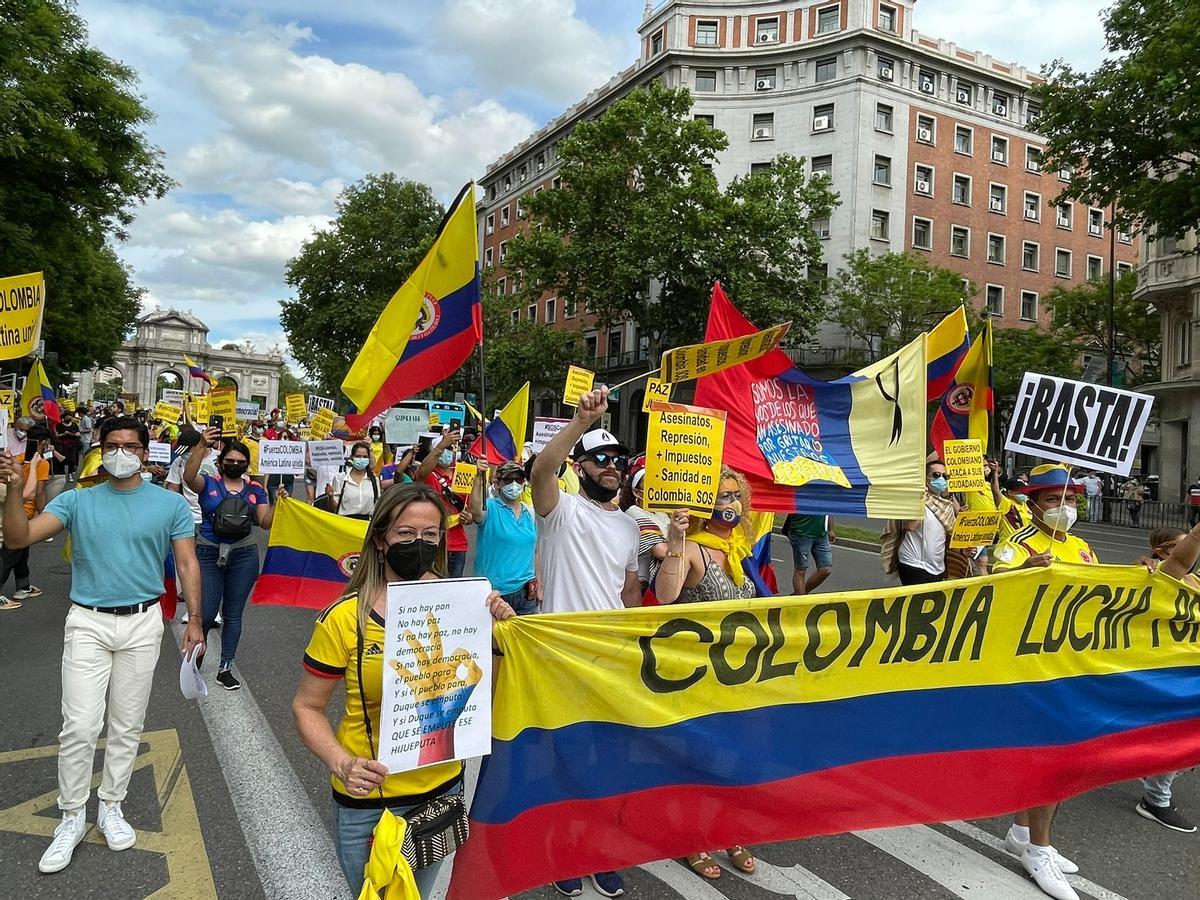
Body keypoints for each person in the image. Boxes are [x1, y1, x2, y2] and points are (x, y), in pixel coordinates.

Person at [0, 415, 202, 874]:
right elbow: (17, 537)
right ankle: (71, 816)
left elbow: (188, 563)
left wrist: (195, 621)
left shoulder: (168, 505)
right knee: (79, 726)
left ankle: (112, 805)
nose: (121, 452)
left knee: (127, 724)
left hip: (143, 622)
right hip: (87, 623)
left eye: (130, 446)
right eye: (112, 444)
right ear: (100, 446)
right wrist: (15, 491)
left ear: (145, 454)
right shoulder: (77, 500)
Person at [292, 483, 514, 896]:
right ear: (380, 539)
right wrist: (341, 763)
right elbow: (306, 707)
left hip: (441, 792)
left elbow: (490, 697)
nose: (419, 544)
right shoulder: (344, 619)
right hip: (373, 801)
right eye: (406, 534)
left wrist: (502, 638)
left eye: (430, 535)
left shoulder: (466, 606)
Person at [530, 386, 639, 899]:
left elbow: (629, 592)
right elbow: (539, 472)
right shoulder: (561, 511)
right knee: (568, 759)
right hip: (562, 656)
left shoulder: (629, 526)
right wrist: (579, 422)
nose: (611, 466)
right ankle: (563, 851)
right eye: (600, 459)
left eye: (617, 458)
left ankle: (599, 850)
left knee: (609, 762)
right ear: (582, 464)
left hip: (612, 658)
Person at [992, 464, 1096, 900]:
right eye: (1054, 500)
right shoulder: (1016, 546)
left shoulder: (1083, 547)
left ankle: (1022, 831)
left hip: (1071, 664)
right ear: (1032, 504)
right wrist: (1022, 573)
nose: (1064, 508)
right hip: (1030, 667)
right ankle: (1039, 848)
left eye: (1070, 499)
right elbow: (988, 590)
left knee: (1061, 754)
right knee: (1049, 758)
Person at [653, 470, 760, 881]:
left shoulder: (741, 549)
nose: (727, 504)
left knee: (733, 759)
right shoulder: (695, 549)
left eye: (734, 496)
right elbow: (666, 594)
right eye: (719, 497)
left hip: (737, 676)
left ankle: (728, 830)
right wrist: (677, 539)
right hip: (698, 675)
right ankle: (691, 838)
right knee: (698, 759)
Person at [183, 428, 282, 690]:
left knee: (233, 614)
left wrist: (278, 502)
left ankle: (225, 667)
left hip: (244, 555)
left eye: (240, 462)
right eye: (230, 461)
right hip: (208, 552)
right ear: (220, 462)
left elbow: (264, 523)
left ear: (247, 465)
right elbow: (188, 476)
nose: (235, 465)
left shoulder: (255, 490)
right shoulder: (209, 483)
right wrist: (202, 445)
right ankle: (195, 666)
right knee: (204, 615)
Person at [1130, 526, 1198, 833]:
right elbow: (1181, 564)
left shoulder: (1196, 581)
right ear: (1162, 553)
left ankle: (1151, 769)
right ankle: (1156, 799)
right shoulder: (1165, 579)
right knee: (1180, 735)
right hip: (1166, 673)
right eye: (1184, 548)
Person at [470, 460, 538, 614]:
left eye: (518, 479)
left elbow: (535, 552)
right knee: (495, 638)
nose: (514, 484)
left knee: (523, 638)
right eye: (508, 479)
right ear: (498, 483)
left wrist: (539, 584)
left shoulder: (531, 513)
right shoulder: (490, 507)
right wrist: (479, 477)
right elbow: (475, 511)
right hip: (496, 594)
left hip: (527, 593)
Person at [416, 428, 471, 578]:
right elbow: (421, 473)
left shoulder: (463, 473)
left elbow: (470, 508)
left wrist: (469, 517)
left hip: (458, 544)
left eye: (449, 448)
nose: (447, 452)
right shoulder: (429, 474)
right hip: (434, 544)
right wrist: (441, 446)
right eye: (443, 448)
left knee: (454, 592)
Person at [896, 458, 957, 585]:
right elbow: (911, 526)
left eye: (945, 476)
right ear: (926, 478)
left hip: (938, 567)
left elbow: (950, 535)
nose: (941, 479)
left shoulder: (946, 506)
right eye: (936, 475)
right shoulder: (916, 499)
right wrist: (920, 499)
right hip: (914, 564)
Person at [621, 463, 669, 592]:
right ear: (637, 492)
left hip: (662, 583)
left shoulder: (662, 514)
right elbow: (661, 552)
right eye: (651, 484)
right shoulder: (633, 512)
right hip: (644, 586)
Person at [782, 513, 835, 594]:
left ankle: (799, 595)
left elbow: (829, 507)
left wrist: (831, 529)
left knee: (826, 569)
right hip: (801, 534)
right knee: (801, 570)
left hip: (821, 535)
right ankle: (800, 601)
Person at [326, 442, 381, 520]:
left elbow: (377, 505)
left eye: (365, 457)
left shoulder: (374, 480)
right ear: (351, 457)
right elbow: (334, 508)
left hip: (366, 523)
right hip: (345, 522)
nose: (362, 459)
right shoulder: (340, 478)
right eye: (358, 456)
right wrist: (330, 496)